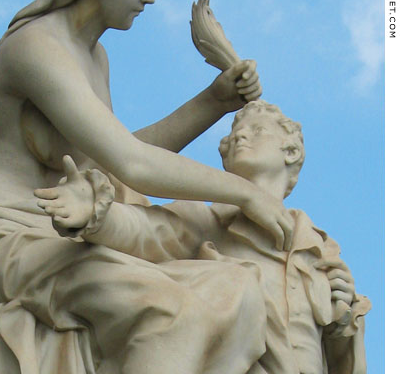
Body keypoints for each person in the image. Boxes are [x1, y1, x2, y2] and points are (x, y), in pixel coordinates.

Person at [0, 0, 290, 374]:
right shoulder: (35, 46)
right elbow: (131, 163)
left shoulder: (95, 59)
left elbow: (108, 161)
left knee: (231, 289)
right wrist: (246, 192)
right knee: (172, 307)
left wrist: (214, 101)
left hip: (53, 239)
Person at [39, 100, 371, 373]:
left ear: (291, 152)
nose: (240, 137)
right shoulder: (208, 220)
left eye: (256, 131)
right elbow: (146, 231)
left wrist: (344, 326)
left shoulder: (321, 249)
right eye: (235, 134)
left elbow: (339, 359)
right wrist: (98, 213)